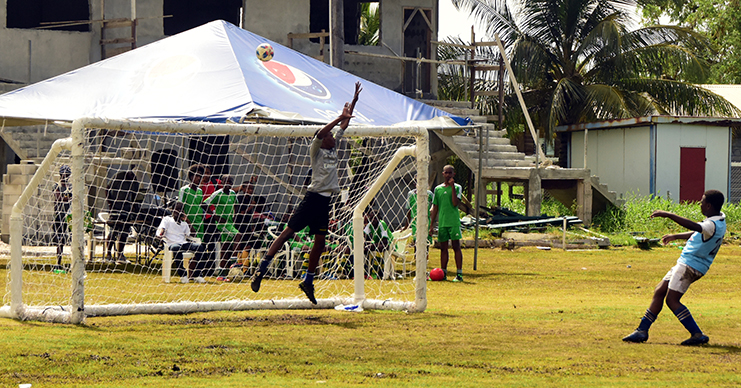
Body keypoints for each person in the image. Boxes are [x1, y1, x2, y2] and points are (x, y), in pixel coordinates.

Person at [251, 81, 362, 304]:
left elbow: (342, 129)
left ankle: (308, 282)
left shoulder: (333, 146)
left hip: (325, 202)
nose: (333, 138)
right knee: (287, 234)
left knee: (320, 243)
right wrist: (339, 118)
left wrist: (353, 106)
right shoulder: (317, 149)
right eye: (329, 136)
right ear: (322, 141)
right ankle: (261, 270)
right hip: (312, 199)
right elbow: (323, 132)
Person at [622, 190, 726, 346]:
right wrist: (676, 236)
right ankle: (641, 330)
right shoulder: (719, 220)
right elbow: (700, 231)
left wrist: (668, 214)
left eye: (702, 201)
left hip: (689, 266)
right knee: (660, 291)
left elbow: (696, 226)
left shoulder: (710, 224)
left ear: (709, 205)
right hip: (687, 263)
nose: (700, 204)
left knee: (672, 300)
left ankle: (697, 334)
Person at [204, 174, 243, 281]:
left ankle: (221, 274)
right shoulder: (217, 194)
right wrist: (215, 216)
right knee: (238, 235)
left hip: (230, 223)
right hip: (222, 223)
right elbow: (204, 204)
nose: (228, 183)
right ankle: (234, 262)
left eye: (230, 181)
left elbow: (236, 205)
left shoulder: (233, 194)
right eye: (226, 181)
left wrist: (235, 216)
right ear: (221, 182)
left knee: (225, 248)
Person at [429, 165, 464, 282]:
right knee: (443, 248)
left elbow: (455, 203)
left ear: (453, 174)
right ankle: (443, 273)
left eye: (450, 173)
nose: (448, 175)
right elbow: (435, 207)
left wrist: (452, 187)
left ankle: (459, 274)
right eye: (446, 173)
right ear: (443, 173)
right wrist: (431, 225)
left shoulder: (458, 187)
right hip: (443, 223)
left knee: (456, 247)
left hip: (453, 222)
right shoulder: (438, 189)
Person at [156, 201, 206, 283]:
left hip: (183, 243)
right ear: (173, 210)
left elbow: (193, 235)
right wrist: (161, 233)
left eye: (181, 209)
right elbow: (162, 228)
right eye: (177, 209)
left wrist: (188, 221)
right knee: (176, 248)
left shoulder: (184, 223)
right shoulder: (167, 219)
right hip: (172, 243)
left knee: (200, 247)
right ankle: (183, 275)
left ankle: (197, 274)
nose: (179, 211)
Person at [105, 168, 140, 262]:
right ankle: (108, 254)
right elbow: (107, 189)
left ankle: (120, 254)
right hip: (115, 209)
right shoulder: (118, 177)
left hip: (126, 210)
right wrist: (110, 204)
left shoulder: (135, 183)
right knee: (113, 231)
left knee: (124, 232)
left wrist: (134, 207)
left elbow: (135, 196)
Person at [52, 165, 72, 272]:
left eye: (67, 175)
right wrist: (67, 197)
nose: (65, 177)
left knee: (72, 239)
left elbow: (72, 197)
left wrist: (67, 197)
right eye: (63, 175)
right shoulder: (56, 186)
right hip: (59, 215)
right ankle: (58, 263)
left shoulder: (71, 186)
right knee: (60, 239)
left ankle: (74, 262)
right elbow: (58, 197)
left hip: (69, 216)